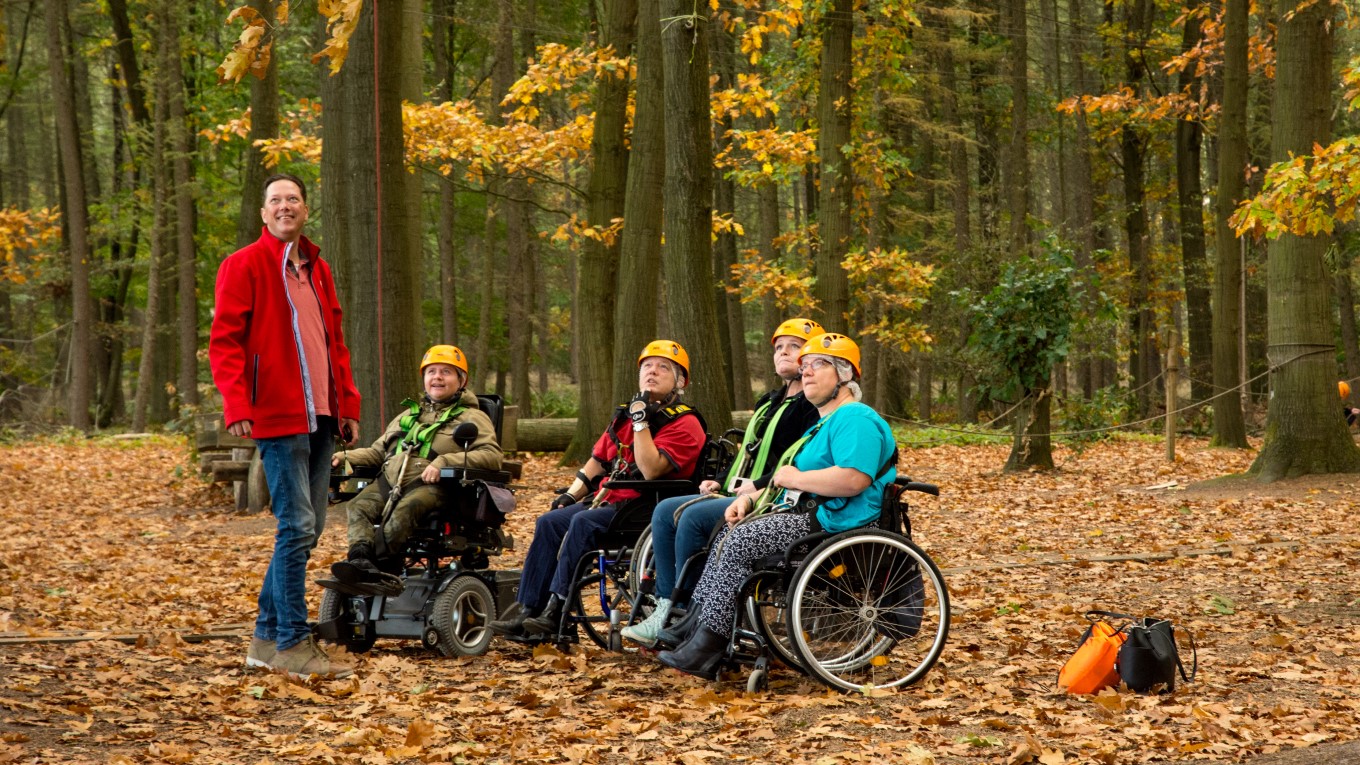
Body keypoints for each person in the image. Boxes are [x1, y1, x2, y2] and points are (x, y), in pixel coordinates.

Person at [656, 333, 898, 680]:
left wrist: (795, 478)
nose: (808, 372)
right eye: (804, 366)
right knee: (729, 529)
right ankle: (698, 624)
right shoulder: (823, 423)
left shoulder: (856, 418)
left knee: (742, 540)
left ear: (845, 375)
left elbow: (852, 479)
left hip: (841, 523)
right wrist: (749, 499)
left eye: (819, 365)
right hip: (813, 514)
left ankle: (708, 644)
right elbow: (783, 480)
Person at [209, 173, 362, 680]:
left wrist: (348, 404)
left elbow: (334, 341)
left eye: (292, 199)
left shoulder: (317, 269)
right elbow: (225, 342)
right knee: (295, 526)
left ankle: (264, 639)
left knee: (311, 526)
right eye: (275, 200)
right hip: (275, 413)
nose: (284, 207)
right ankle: (293, 644)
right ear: (263, 212)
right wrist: (237, 403)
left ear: (304, 208)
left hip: (320, 413)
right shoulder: (243, 265)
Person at [621, 319, 823, 647]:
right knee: (664, 511)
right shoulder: (769, 403)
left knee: (692, 517)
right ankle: (664, 607)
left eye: (794, 346)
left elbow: (798, 461)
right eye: (778, 347)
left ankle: (691, 612)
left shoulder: (812, 408)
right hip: (744, 488)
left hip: (775, 495)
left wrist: (755, 486)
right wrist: (718, 481)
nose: (784, 352)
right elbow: (749, 452)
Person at [489, 340, 708, 642]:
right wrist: (571, 495)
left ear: (681, 381)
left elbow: (650, 469)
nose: (652, 372)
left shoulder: (686, 423)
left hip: (651, 506)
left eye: (663, 367)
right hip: (613, 502)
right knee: (551, 522)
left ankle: (557, 611)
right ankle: (529, 610)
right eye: (647, 366)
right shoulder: (625, 416)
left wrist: (642, 424)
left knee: (583, 523)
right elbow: (597, 461)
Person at [328, 344, 502, 594]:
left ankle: (380, 569)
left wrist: (445, 462)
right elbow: (379, 452)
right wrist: (346, 457)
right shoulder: (407, 416)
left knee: (405, 510)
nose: (438, 377)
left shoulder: (472, 418)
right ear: (424, 378)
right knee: (359, 506)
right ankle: (360, 562)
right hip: (390, 482)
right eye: (431, 371)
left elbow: (492, 456)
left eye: (446, 372)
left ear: (461, 380)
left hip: (436, 487)